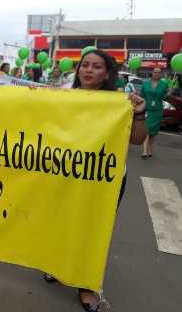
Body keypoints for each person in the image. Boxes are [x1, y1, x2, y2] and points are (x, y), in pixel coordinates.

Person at [38, 48, 147, 312]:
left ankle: (86, 284)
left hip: (103, 180)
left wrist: (140, 112)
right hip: (63, 174)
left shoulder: (121, 102)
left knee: (93, 231)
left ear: (108, 73)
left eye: (96, 66)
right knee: (61, 222)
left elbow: (136, 140)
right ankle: (57, 266)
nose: (88, 70)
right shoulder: (63, 94)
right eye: (84, 65)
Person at [141, 67, 172, 158]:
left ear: (161, 74)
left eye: (158, 73)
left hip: (157, 111)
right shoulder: (145, 83)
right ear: (152, 73)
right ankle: (144, 150)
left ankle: (150, 148)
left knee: (153, 131)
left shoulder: (164, 84)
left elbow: (164, 98)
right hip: (147, 110)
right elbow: (142, 96)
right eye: (155, 72)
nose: (156, 74)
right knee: (146, 130)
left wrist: (169, 94)